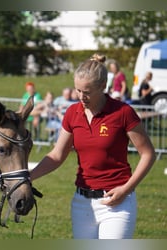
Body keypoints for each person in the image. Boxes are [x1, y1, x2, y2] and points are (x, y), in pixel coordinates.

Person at [30, 54, 156, 239]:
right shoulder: (72, 113)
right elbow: (57, 155)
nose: (81, 96)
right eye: (78, 90)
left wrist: (126, 189)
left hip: (117, 203)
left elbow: (148, 154)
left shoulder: (123, 112)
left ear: (103, 86)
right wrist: (27, 177)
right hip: (82, 204)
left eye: (87, 92)